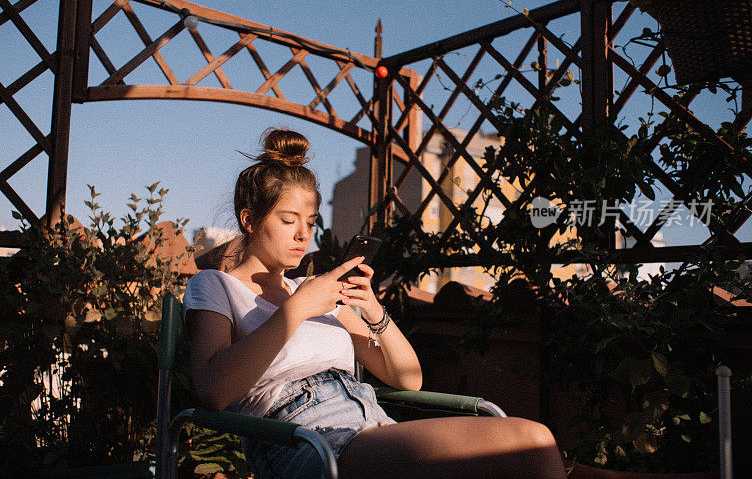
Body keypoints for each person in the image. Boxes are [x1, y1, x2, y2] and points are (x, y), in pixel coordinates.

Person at [183, 128, 568, 478]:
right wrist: (296, 308)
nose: (303, 234)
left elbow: (409, 379)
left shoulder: (316, 290)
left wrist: (373, 310)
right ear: (250, 220)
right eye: (288, 220)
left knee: (530, 445)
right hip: (307, 440)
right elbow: (214, 390)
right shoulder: (217, 285)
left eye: (311, 221)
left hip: (371, 426)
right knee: (530, 442)